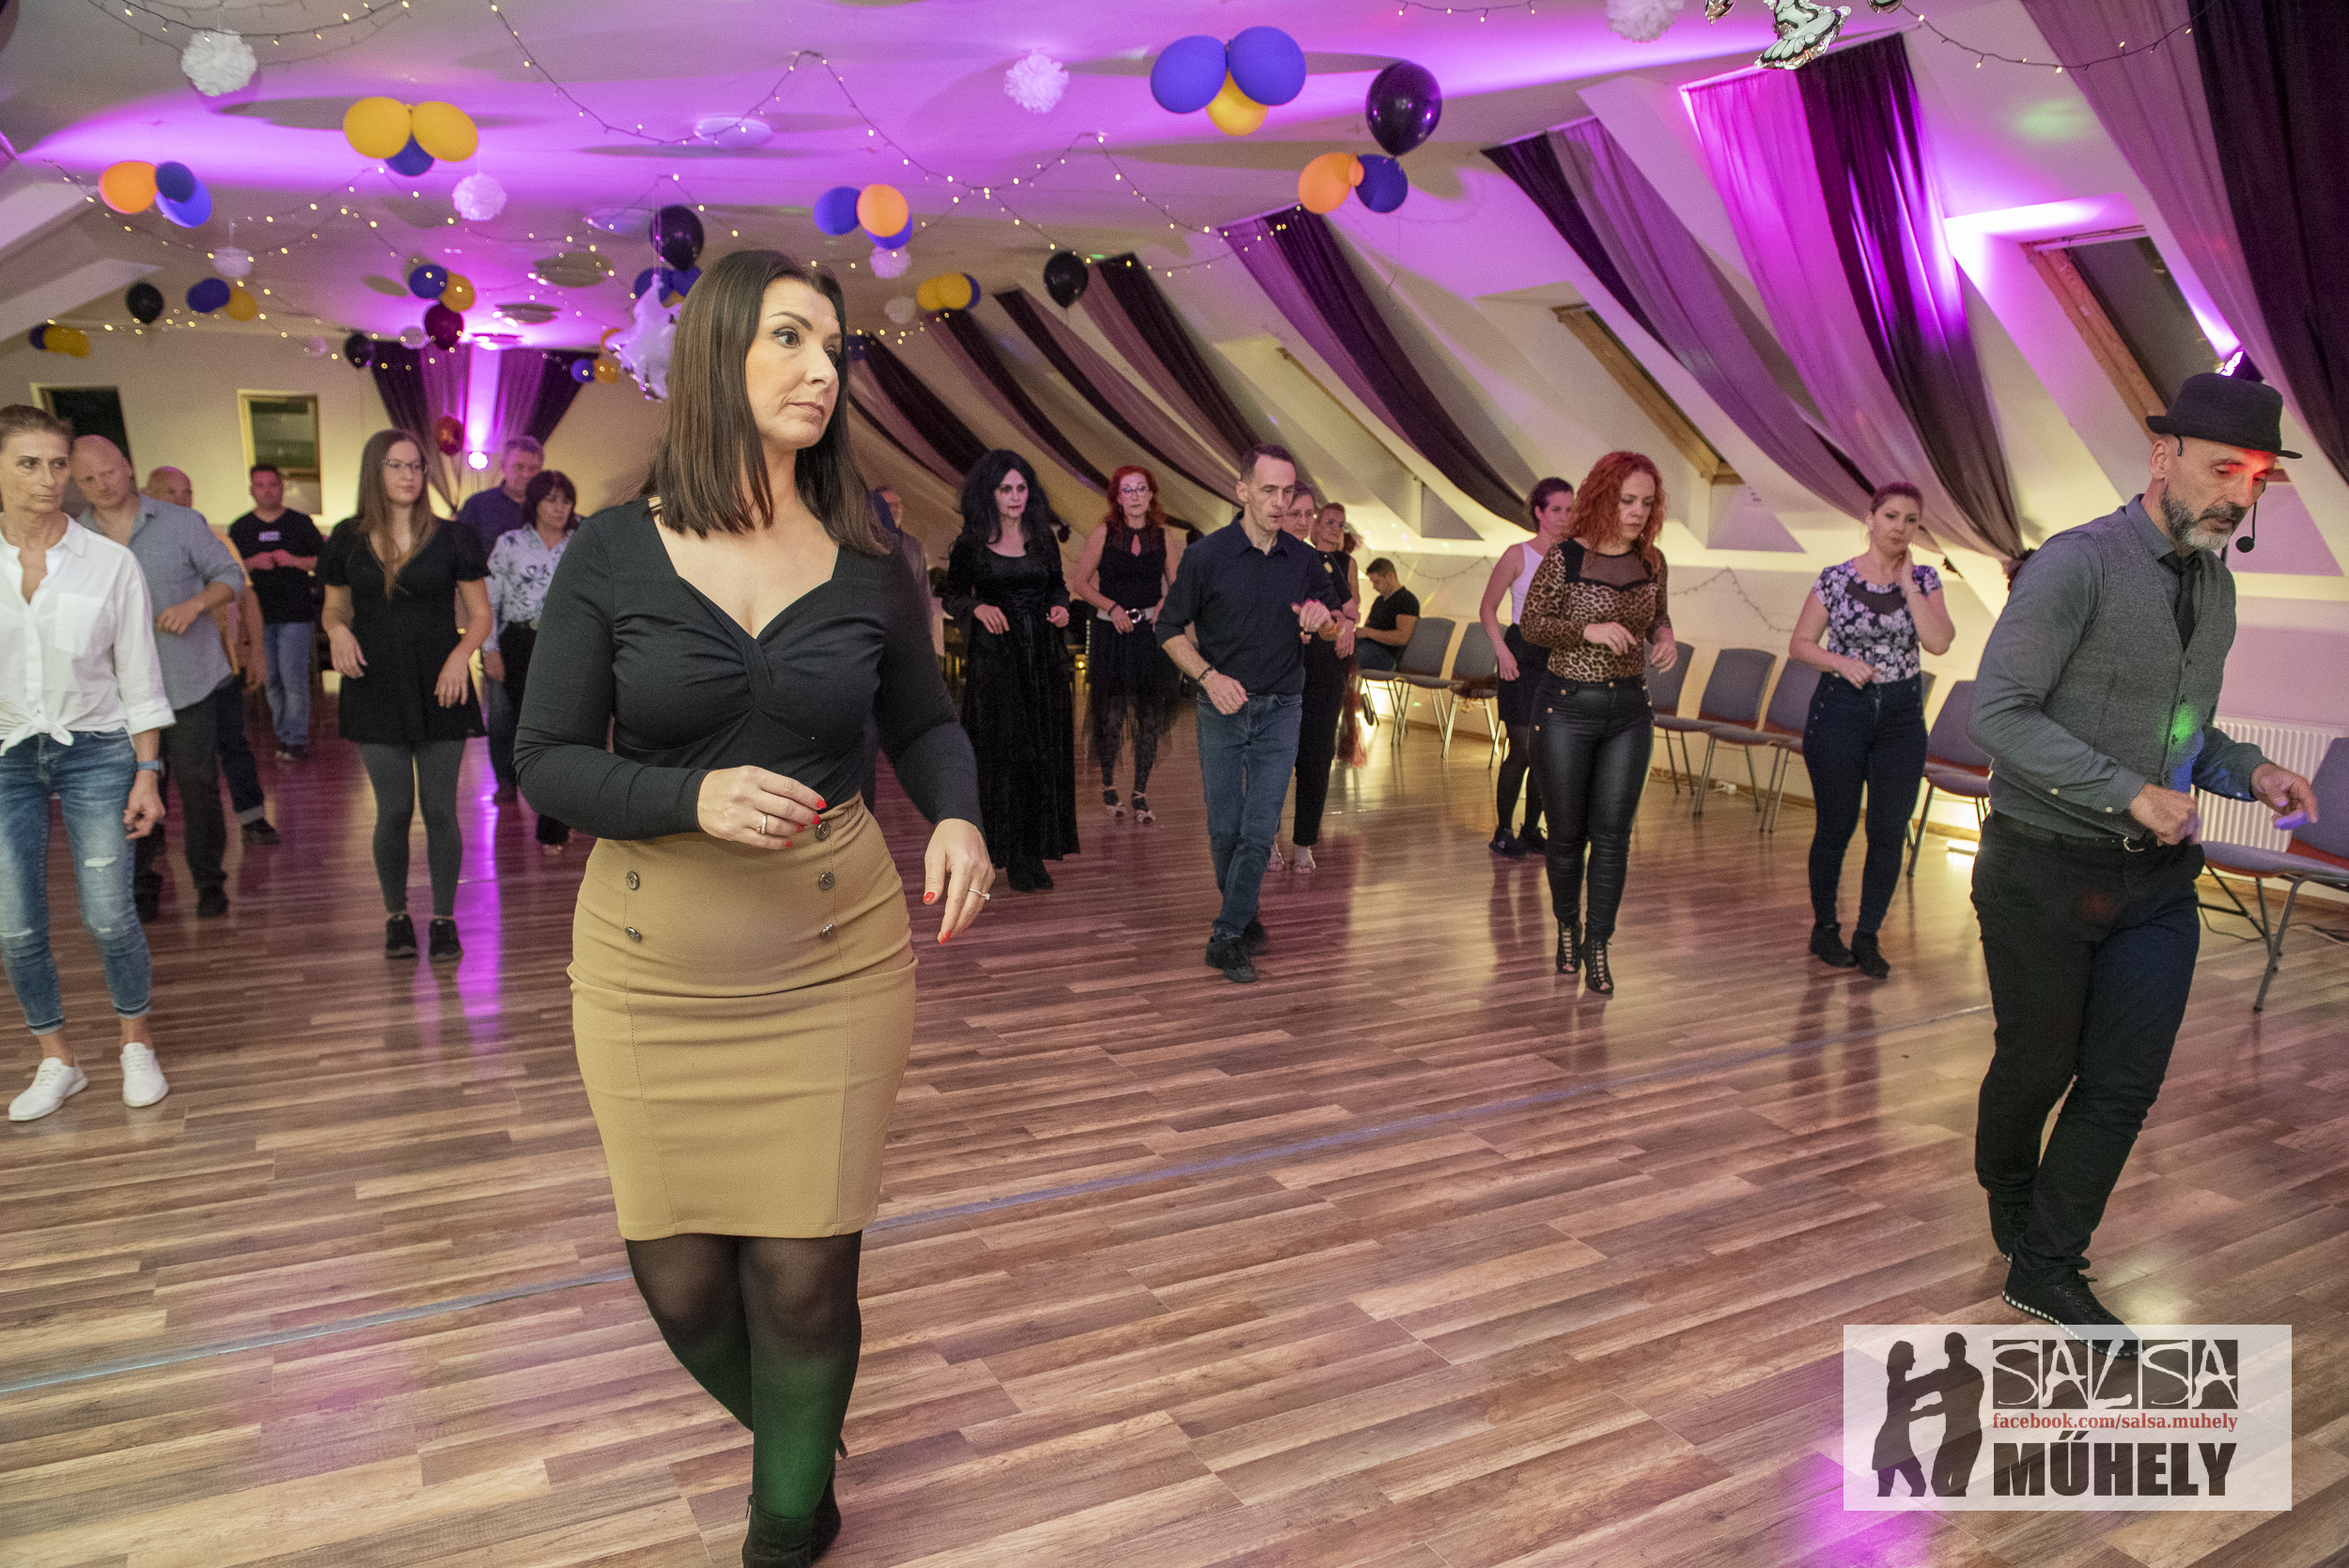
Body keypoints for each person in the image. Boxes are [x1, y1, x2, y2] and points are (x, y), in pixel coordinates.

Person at [514, 250, 989, 1568]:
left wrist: (958, 815)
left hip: (835, 957)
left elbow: (925, 723)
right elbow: (545, 760)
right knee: (679, 1281)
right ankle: (798, 1424)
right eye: (789, 337)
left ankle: (787, 1519)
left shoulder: (872, 556)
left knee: (803, 1276)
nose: (821, 368)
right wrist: (689, 795)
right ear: (718, 355)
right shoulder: (613, 550)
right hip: (647, 965)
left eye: (833, 346)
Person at [1968, 373, 2316, 1344]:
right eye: (2223, 470)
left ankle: (2046, 1266)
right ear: (2162, 456)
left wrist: (2251, 771)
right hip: (2041, 870)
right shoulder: (2075, 565)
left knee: (2123, 1080)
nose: (2239, 496)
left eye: (2256, 479)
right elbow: (1997, 714)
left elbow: (2185, 734)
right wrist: (2126, 789)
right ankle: (2007, 1181)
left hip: (2156, 884)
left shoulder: (2216, 586)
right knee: (2039, 1064)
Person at [1, 404, 174, 1121]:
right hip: (6, 755)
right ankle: (58, 1058)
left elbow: (139, 675)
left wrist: (148, 772)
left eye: (56, 464)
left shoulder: (109, 563)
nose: (49, 479)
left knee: (108, 915)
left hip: (98, 751)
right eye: (28, 463)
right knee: (16, 926)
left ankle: (137, 1042)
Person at [1155, 443, 1341, 983]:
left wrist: (1322, 619)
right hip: (1221, 706)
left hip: (1283, 706)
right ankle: (1243, 913)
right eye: (1269, 490)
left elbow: (1332, 626)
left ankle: (1227, 934)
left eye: (1288, 492)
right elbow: (1167, 628)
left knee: (1259, 828)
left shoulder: (1304, 560)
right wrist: (1209, 678)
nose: (1281, 503)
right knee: (1225, 829)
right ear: (1242, 492)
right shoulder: (1206, 556)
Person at [321, 428, 492, 964]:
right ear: (375, 471)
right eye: (396, 465)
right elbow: (334, 608)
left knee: (441, 810)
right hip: (373, 684)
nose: (409, 475)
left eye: (416, 466)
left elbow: (481, 615)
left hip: (442, 683)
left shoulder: (454, 537)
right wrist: (337, 631)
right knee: (393, 810)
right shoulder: (346, 538)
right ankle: (396, 915)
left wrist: (460, 657)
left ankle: (443, 920)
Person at [1517, 451, 1678, 997]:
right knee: (1567, 837)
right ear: (1605, 498)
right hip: (1566, 708)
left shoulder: (1652, 561)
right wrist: (1587, 630)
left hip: (1629, 712)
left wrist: (1665, 637)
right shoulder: (1565, 556)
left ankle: (1598, 945)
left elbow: (1658, 615)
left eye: (1647, 503)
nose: (1637, 512)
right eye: (1627, 500)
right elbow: (1533, 624)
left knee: (1613, 838)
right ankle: (1567, 926)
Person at [70, 436, 245, 922]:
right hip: (118, 695)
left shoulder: (181, 522)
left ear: (128, 468)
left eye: (108, 472)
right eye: (87, 479)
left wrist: (194, 605)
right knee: (133, 788)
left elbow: (231, 577)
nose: (101, 485)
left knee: (198, 785)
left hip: (187, 682)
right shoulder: (75, 538)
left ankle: (208, 880)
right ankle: (143, 881)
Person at [1787, 481, 1954, 978]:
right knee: (1835, 826)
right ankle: (1825, 929)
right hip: (1841, 709)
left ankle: (1868, 934)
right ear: (1871, 518)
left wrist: (1908, 586)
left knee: (1888, 830)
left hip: (1901, 717)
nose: (1900, 528)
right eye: (1891, 516)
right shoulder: (1835, 578)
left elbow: (1939, 642)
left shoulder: (1925, 579)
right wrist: (1840, 662)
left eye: (1911, 520)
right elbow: (1800, 643)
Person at [942, 450, 1079, 893]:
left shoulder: (1043, 539)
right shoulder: (971, 543)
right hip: (997, 664)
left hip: (1041, 660)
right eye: (1006, 489)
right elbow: (953, 596)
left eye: (1021, 488)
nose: (1016, 497)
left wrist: (1060, 607)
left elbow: (1058, 587)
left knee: (1042, 753)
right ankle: (1009, 852)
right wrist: (978, 607)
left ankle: (1035, 851)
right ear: (991, 493)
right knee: (1006, 754)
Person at [142, 467, 277, 846]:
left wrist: (257, 652)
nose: (181, 500)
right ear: (148, 496)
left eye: (186, 492)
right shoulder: (137, 543)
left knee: (233, 743)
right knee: (158, 754)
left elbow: (247, 598)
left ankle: (252, 816)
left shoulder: (217, 539)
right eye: (170, 492)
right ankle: (154, 830)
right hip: (162, 671)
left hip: (221, 666)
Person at [1071, 465, 1184, 827]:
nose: (1135, 495)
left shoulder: (1163, 537)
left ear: (1151, 495)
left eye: (1141, 489)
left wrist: (1164, 604)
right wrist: (1112, 607)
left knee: (1150, 717)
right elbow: (1080, 583)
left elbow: (1178, 585)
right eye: (1128, 490)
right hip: (1112, 635)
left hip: (1149, 637)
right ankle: (1108, 785)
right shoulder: (1103, 533)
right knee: (1110, 717)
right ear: (1118, 498)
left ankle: (1140, 793)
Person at [484, 470, 581, 855]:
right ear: (534, 503)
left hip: (569, 643)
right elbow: (489, 599)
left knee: (562, 731)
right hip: (520, 642)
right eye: (550, 500)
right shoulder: (510, 543)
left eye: (566, 500)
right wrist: (489, 648)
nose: (559, 508)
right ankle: (519, 786)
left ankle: (553, 824)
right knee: (527, 727)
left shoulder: (581, 543)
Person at [1478, 477, 1575, 859]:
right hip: (1520, 652)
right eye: (1557, 509)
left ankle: (1532, 829)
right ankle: (1502, 831)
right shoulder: (1517, 554)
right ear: (1539, 512)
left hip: (1557, 655)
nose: (1564, 517)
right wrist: (1502, 651)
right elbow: (1487, 608)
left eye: (1570, 510)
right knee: (1523, 748)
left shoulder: (1575, 556)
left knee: (1546, 752)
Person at [458, 436, 545, 803]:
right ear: (503, 466)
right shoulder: (479, 507)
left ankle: (539, 778)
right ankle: (505, 779)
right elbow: (460, 558)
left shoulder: (548, 506)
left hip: (541, 627)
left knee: (541, 706)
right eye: (519, 467)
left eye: (533, 469)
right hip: (493, 618)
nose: (525, 474)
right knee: (502, 705)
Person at [1274, 489, 1357, 872]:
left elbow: (1343, 613)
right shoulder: (1263, 559)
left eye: (1308, 514)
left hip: (1322, 671)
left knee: (1316, 756)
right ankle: (1268, 839)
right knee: (1274, 758)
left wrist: (1336, 627)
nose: (1303, 522)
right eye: (1296, 513)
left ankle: (1304, 842)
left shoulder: (1321, 561)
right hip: (1278, 669)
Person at [228, 461, 325, 762]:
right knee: (270, 680)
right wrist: (252, 563)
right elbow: (227, 571)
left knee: (294, 679)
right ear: (252, 490)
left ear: (281, 488)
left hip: (295, 612)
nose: (267, 491)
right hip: (257, 616)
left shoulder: (300, 523)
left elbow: (324, 562)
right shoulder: (240, 528)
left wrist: (293, 560)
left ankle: (296, 739)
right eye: (261, 485)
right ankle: (284, 735)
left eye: (273, 485)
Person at [1354, 558, 1418, 674]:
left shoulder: (1406, 600)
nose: (1374, 587)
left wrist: (1369, 632)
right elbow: (1367, 627)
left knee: (1350, 656)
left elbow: (1402, 637)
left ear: (1389, 576)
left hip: (1386, 655)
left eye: (1377, 582)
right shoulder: (1379, 601)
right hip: (1367, 646)